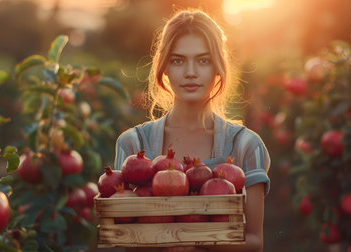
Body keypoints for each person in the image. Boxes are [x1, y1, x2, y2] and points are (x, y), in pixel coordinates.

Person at [114, 8, 270, 252]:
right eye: (178, 60)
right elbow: (126, 236)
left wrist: (190, 242)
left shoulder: (246, 146)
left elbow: (254, 242)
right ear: (164, 67)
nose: (190, 71)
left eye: (203, 60)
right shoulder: (134, 145)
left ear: (218, 67)